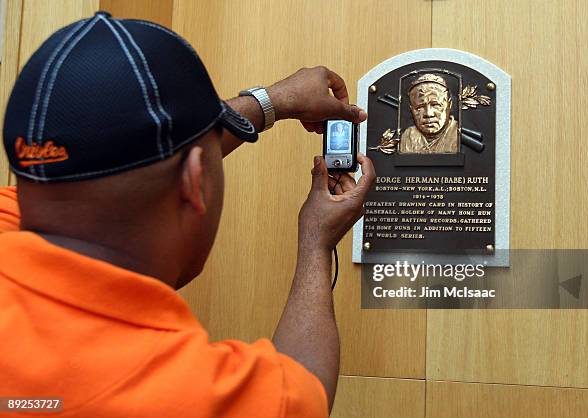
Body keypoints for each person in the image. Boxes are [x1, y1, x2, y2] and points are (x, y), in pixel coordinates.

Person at [0, 12, 375, 417]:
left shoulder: (16, 213)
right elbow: (303, 390)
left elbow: (124, 148)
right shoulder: (182, 395)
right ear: (195, 182)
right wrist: (315, 244)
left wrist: (271, 103)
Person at [398, 73, 459, 154]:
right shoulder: (408, 136)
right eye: (420, 107)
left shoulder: (459, 135)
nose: (428, 114)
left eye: (435, 105)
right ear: (411, 109)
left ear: (449, 105)